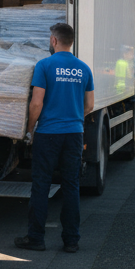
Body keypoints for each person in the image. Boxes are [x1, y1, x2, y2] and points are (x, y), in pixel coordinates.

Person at [16, 22, 94, 253]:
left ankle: (36, 238)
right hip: (74, 134)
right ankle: (71, 241)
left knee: (41, 185)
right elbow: (90, 105)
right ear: (71, 42)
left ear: (53, 40)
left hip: (48, 134)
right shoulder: (84, 68)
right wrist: (74, 118)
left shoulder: (45, 65)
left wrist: (30, 129)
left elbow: (36, 103)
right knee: (71, 186)